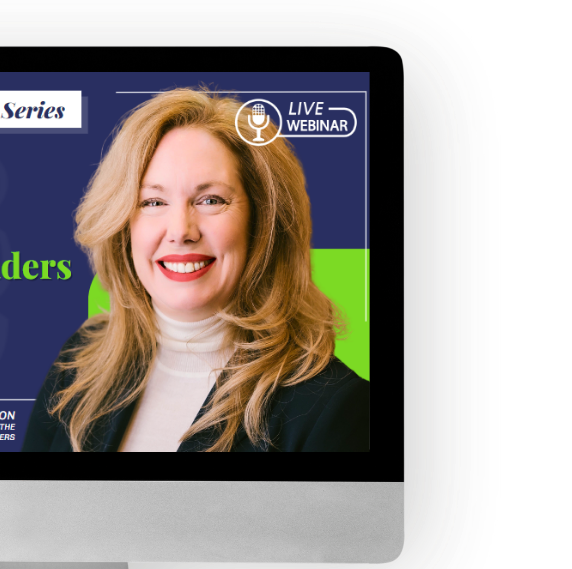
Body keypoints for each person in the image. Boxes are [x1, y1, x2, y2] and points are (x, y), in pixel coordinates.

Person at [23, 88, 369, 452]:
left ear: (263, 222)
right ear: (124, 225)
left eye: (211, 200)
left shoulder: (336, 409)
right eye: (153, 201)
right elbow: (24, 508)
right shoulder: (79, 361)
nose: (180, 231)